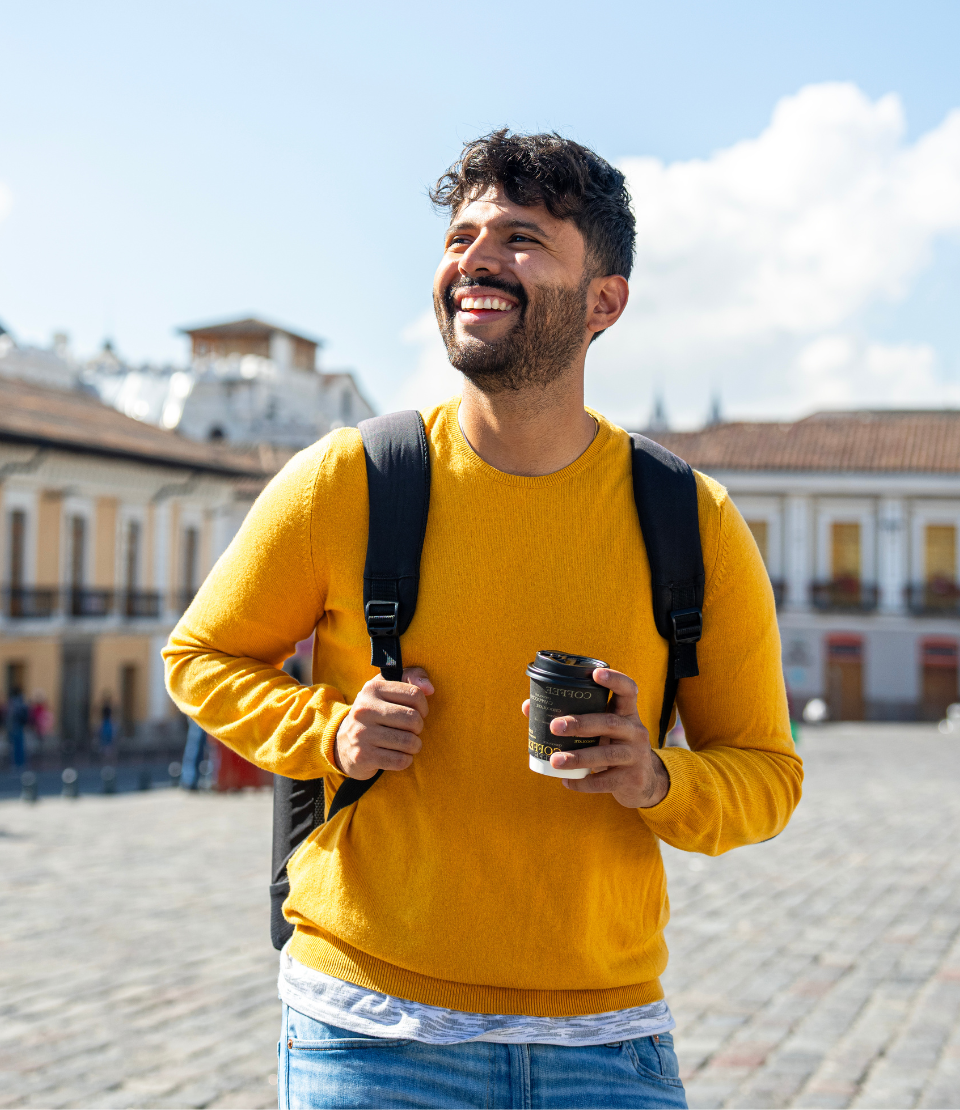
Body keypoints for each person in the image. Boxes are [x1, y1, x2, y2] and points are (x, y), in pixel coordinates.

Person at [164, 130, 803, 1110]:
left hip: (606, 1046)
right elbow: (200, 657)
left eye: (521, 236)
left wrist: (656, 774)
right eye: (460, 236)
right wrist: (329, 730)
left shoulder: (690, 520)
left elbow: (765, 773)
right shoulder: (352, 480)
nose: (475, 259)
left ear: (605, 301)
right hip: (367, 1033)